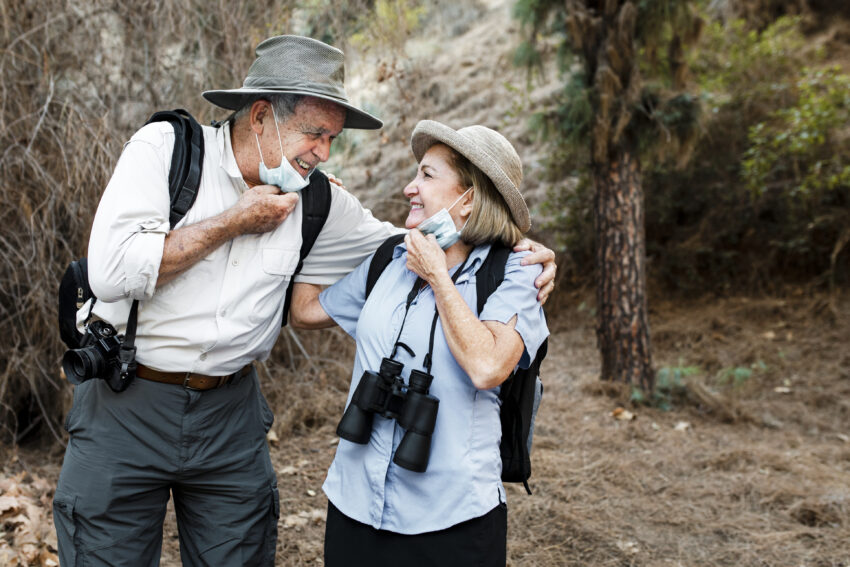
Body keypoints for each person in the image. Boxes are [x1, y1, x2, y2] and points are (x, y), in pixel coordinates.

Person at [53, 35, 556, 566]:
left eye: (333, 138)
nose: (324, 153)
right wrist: (231, 223)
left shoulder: (319, 200)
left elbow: (415, 241)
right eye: (314, 134)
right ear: (262, 117)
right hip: (126, 401)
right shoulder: (165, 151)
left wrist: (515, 242)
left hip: (231, 417)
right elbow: (110, 272)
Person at [290, 120, 549, 566]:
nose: (411, 187)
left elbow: (488, 367)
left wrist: (437, 276)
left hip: (452, 520)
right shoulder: (390, 258)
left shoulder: (515, 274)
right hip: (354, 505)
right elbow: (305, 310)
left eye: (427, 176)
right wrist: (321, 222)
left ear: (469, 199)